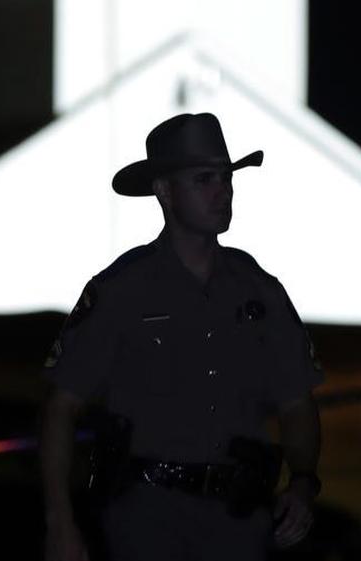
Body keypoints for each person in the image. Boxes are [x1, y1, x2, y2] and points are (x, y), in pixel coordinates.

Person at [39, 112, 323, 561]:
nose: (223, 191)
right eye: (204, 179)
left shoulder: (259, 290)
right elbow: (61, 408)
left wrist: (304, 483)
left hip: (238, 523)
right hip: (144, 520)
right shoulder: (120, 291)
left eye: (227, 178)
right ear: (165, 191)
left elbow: (297, 403)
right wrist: (61, 525)